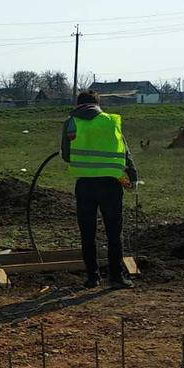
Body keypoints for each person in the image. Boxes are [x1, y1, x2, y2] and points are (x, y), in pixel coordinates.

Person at [61, 89, 140, 289]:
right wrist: (133, 175)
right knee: (114, 231)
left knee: (87, 232)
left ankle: (92, 277)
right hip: (111, 184)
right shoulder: (109, 121)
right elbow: (123, 149)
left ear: (78, 104)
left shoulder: (71, 122)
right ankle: (116, 276)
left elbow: (67, 155)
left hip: (85, 185)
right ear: (98, 104)